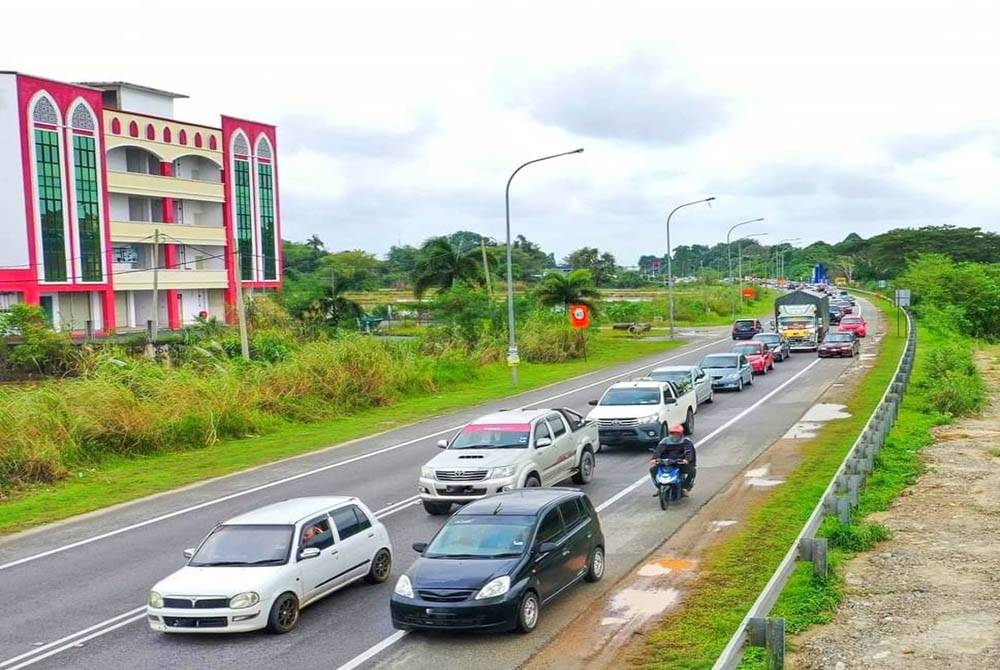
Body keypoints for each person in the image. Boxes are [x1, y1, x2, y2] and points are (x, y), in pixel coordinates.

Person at [649, 424, 696, 496]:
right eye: (673, 433)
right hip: (665, 462)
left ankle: (685, 487)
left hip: (679, 463)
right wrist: (654, 458)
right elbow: (658, 450)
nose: (675, 435)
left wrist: (687, 459)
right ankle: (659, 487)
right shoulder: (665, 441)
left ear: (681, 434)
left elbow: (688, 451)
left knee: (692, 471)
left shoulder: (686, 441)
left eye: (677, 433)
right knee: (653, 470)